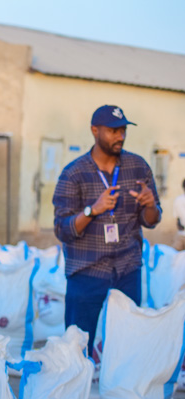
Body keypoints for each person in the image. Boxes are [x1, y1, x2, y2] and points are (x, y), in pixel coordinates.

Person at [53, 105, 162, 353]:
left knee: (127, 345)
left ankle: (120, 392)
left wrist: (150, 204)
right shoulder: (73, 174)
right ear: (95, 131)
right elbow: (63, 229)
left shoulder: (138, 167)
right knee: (77, 347)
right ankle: (78, 389)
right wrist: (94, 209)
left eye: (123, 130)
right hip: (87, 271)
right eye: (113, 131)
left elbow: (152, 219)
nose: (120, 136)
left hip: (127, 269)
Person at [173, 178, 185, 251]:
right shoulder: (179, 200)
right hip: (181, 234)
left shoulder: (178, 199)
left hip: (181, 233)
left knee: (176, 257)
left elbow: (177, 220)